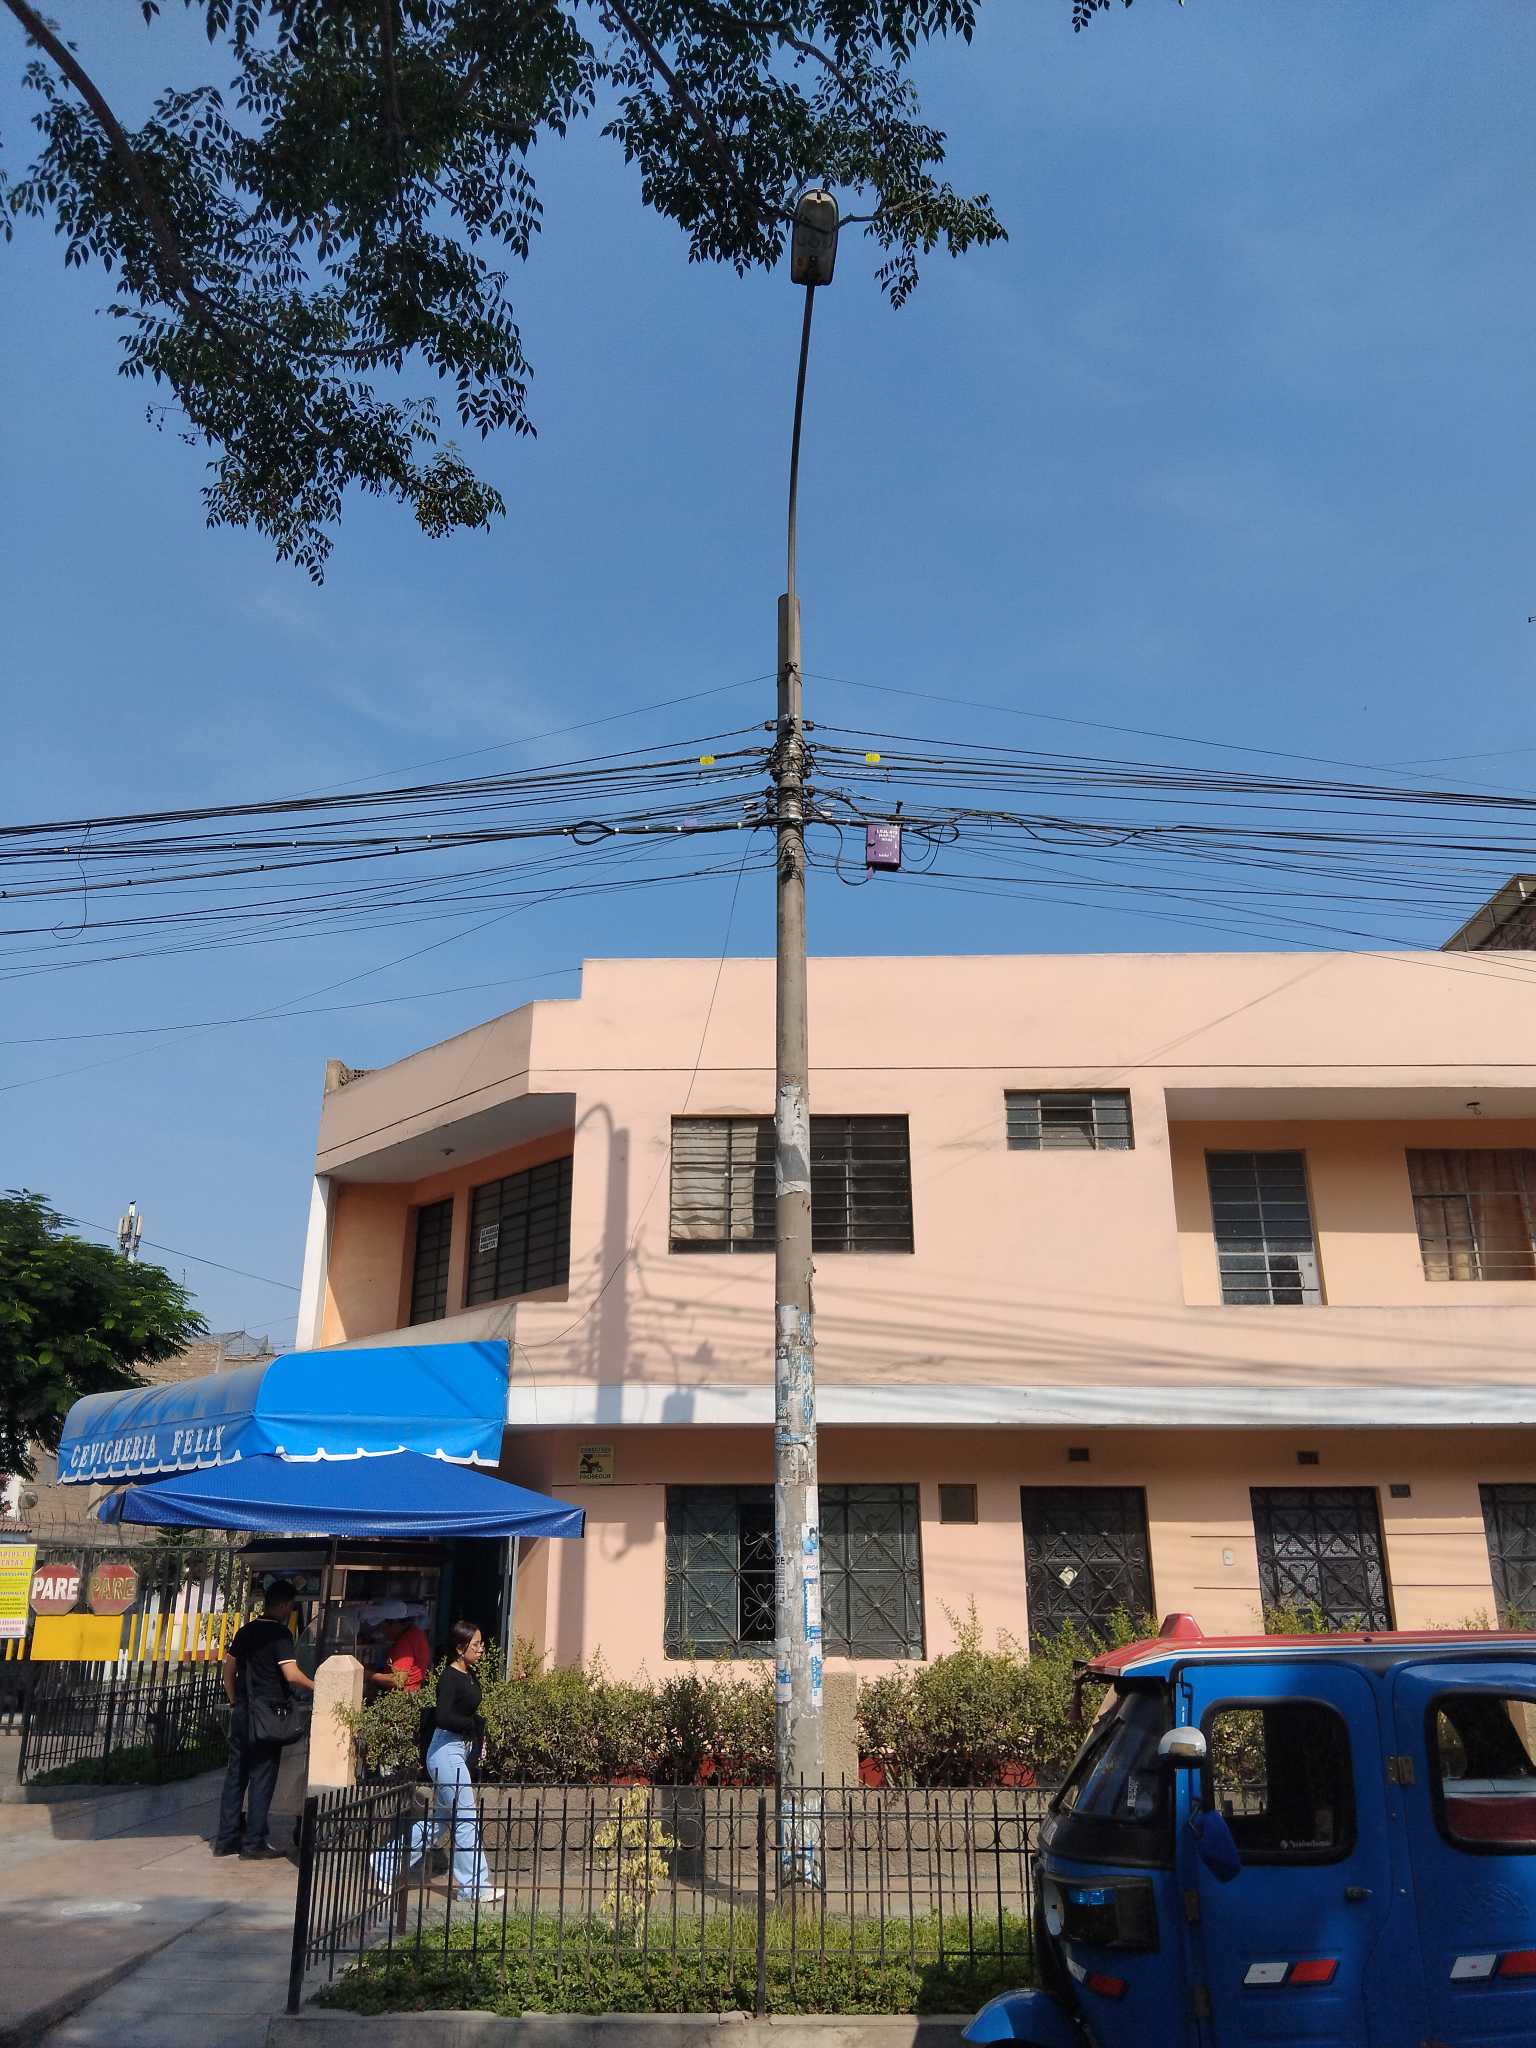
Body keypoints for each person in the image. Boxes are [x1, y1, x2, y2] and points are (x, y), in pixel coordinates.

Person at [374, 1619, 501, 1902]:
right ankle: (474, 1887)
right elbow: (443, 1716)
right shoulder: (449, 1677)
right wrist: (470, 1724)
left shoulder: (469, 1674)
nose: (481, 1649)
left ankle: (384, 1863)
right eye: (476, 1644)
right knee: (465, 1816)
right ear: (460, 1648)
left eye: (481, 1644)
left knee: (440, 1823)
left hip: (458, 1751)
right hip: (445, 1752)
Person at [215, 1579, 315, 1860]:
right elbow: (291, 1675)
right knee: (262, 1777)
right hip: (268, 1716)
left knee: (236, 1776)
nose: (290, 1611)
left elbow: (228, 1671)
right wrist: (317, 1685)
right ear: (283, 1605)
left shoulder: (245, 1631)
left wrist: (235, 1701)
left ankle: (226, 1839)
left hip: (242, 1712)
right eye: (290, 1606)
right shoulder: (280, 1635)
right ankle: (254, 1843)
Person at [364, 1601, 433, 1694]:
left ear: (394, 1623)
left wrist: (370, 1675)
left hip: (403, 1697)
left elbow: (398, 1680)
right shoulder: (417, 1633)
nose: (383, 1630)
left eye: (384, 1625)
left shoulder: (404, 1643)